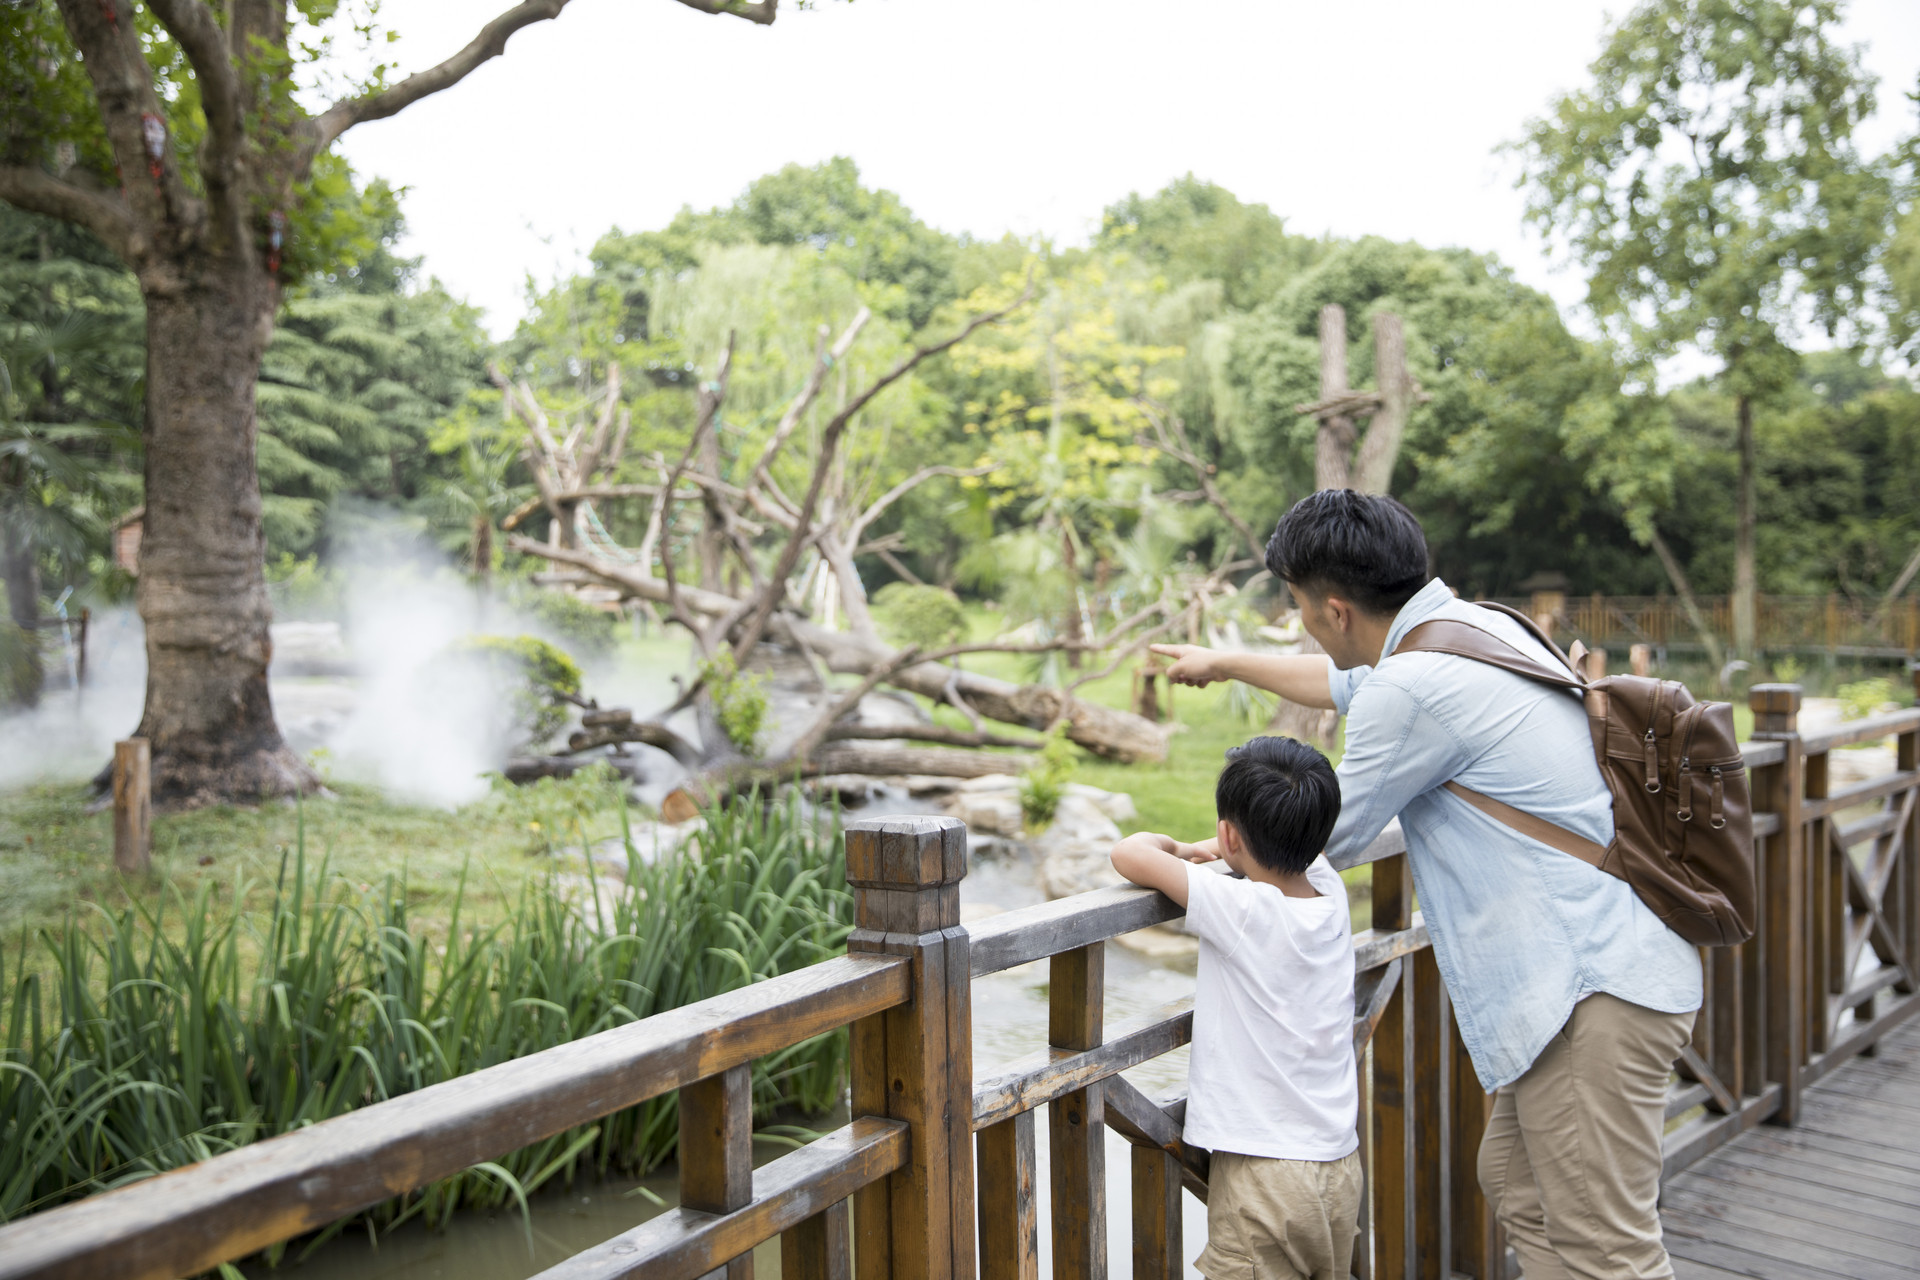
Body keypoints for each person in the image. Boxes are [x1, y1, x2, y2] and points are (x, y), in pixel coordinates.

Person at [1150, 489, 1702, 1280]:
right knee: (1518, 1186)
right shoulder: (1477, 628)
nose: (1302, 623)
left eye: (1302, 608)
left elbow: (1311, 843)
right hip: (1613, 964)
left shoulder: (1412, 689)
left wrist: (1213, 848)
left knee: (1609, 1247)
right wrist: (1223, 661)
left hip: (1592, 986)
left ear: (1337, 610)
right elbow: (1342, 683)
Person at [1109, 735, 1360, 1280]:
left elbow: (1128, 853)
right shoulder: (1328, 890)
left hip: (1264, 1178)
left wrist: (1181, 847)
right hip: (1337, 1167)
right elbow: (1294, 850)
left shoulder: (1243, 908)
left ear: (1231, 834)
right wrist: (1224, 846)